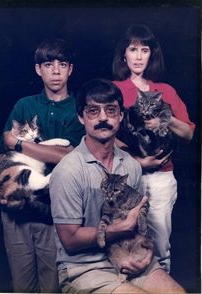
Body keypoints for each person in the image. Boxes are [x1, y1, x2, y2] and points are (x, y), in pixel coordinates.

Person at [50, 78, 185, 293]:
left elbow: (140, 217)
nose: (103, 117)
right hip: (86, 267)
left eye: (111, 110)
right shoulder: (68, 170)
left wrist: (147, 252)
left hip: (132, 255)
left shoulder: (131, 165)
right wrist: (118, 229)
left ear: (121, 116)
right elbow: (69, 239)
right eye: (93, 111)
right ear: (80, 117)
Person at [0, 38, 85, 293]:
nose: (55, 71)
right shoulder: (25, 105)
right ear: (38, 69)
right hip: (17, 211)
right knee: (22, 285)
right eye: (48, 64)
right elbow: (5, 144)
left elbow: (67, 156)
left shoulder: (79, 108)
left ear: (71, 69)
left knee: (52, 285)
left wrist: (20, 144)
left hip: (54, 210)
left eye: (62, 64)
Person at [112, 24, 195, 273]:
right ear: (124, 54)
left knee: (160, 245)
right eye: (133, 49)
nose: (138, 56)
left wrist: (165, 118)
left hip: (160, 177)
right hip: (125, 180)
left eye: (144, 50)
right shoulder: (115, 89)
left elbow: (189, 133)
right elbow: (104, 135)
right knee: (125, 244)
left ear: (152, 54)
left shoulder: (166, 91)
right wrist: (136, 161)